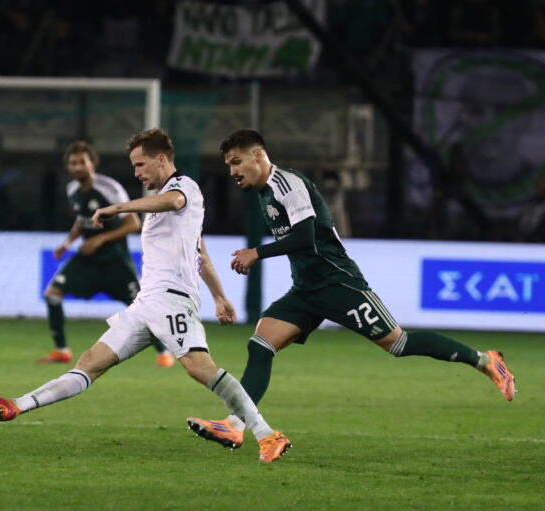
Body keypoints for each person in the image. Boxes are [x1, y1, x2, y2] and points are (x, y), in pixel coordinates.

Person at [0, 128, 291, 462]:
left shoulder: (184, 187)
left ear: (161, 159)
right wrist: (220, 297)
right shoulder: (166, 203)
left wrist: (118, 208)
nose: (136, 173)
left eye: (140, 164)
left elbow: (173, 201)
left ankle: (267, 434)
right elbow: (201, 254)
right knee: (89, 363)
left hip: (171, 299)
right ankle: (15, 406)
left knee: (199, 367)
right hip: (146, 303)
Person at [186, 129, 517, 450]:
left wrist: (257, 252)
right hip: (306, 290)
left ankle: (485, 360)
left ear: (258, 155)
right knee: (260, 345)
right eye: (229, 165)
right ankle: (235, 424)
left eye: (236, 162)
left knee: (399, 343)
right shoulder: (263, 193)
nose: (232, 171)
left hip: (338, 282)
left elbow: (306, 238)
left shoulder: (288, 184)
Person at [39, 140, 174, 367]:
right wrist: (68, 242)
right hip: (88, 259)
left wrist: (101, 239)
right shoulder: (72, 189)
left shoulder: (109, 189)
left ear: (92, 163)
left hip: (115, 261)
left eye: (82, 162)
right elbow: (82, 220)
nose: (77, 167)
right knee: (52, 294)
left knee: (141, 307)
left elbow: (133, 224)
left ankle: (163, 354)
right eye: (73, 163)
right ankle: (61, 350)